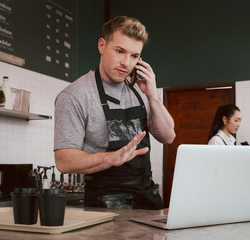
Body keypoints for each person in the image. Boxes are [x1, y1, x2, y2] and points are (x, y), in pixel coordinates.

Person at [54, 16, 175, 210]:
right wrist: (111, 158)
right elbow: (63, 161)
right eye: (120, 51)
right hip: (105, 204)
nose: (126, 63)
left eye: (134, 56)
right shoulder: (75, 95)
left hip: (147, 199)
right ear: (102, 45)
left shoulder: (140, 90)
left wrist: (152, 95)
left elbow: (168, 136)